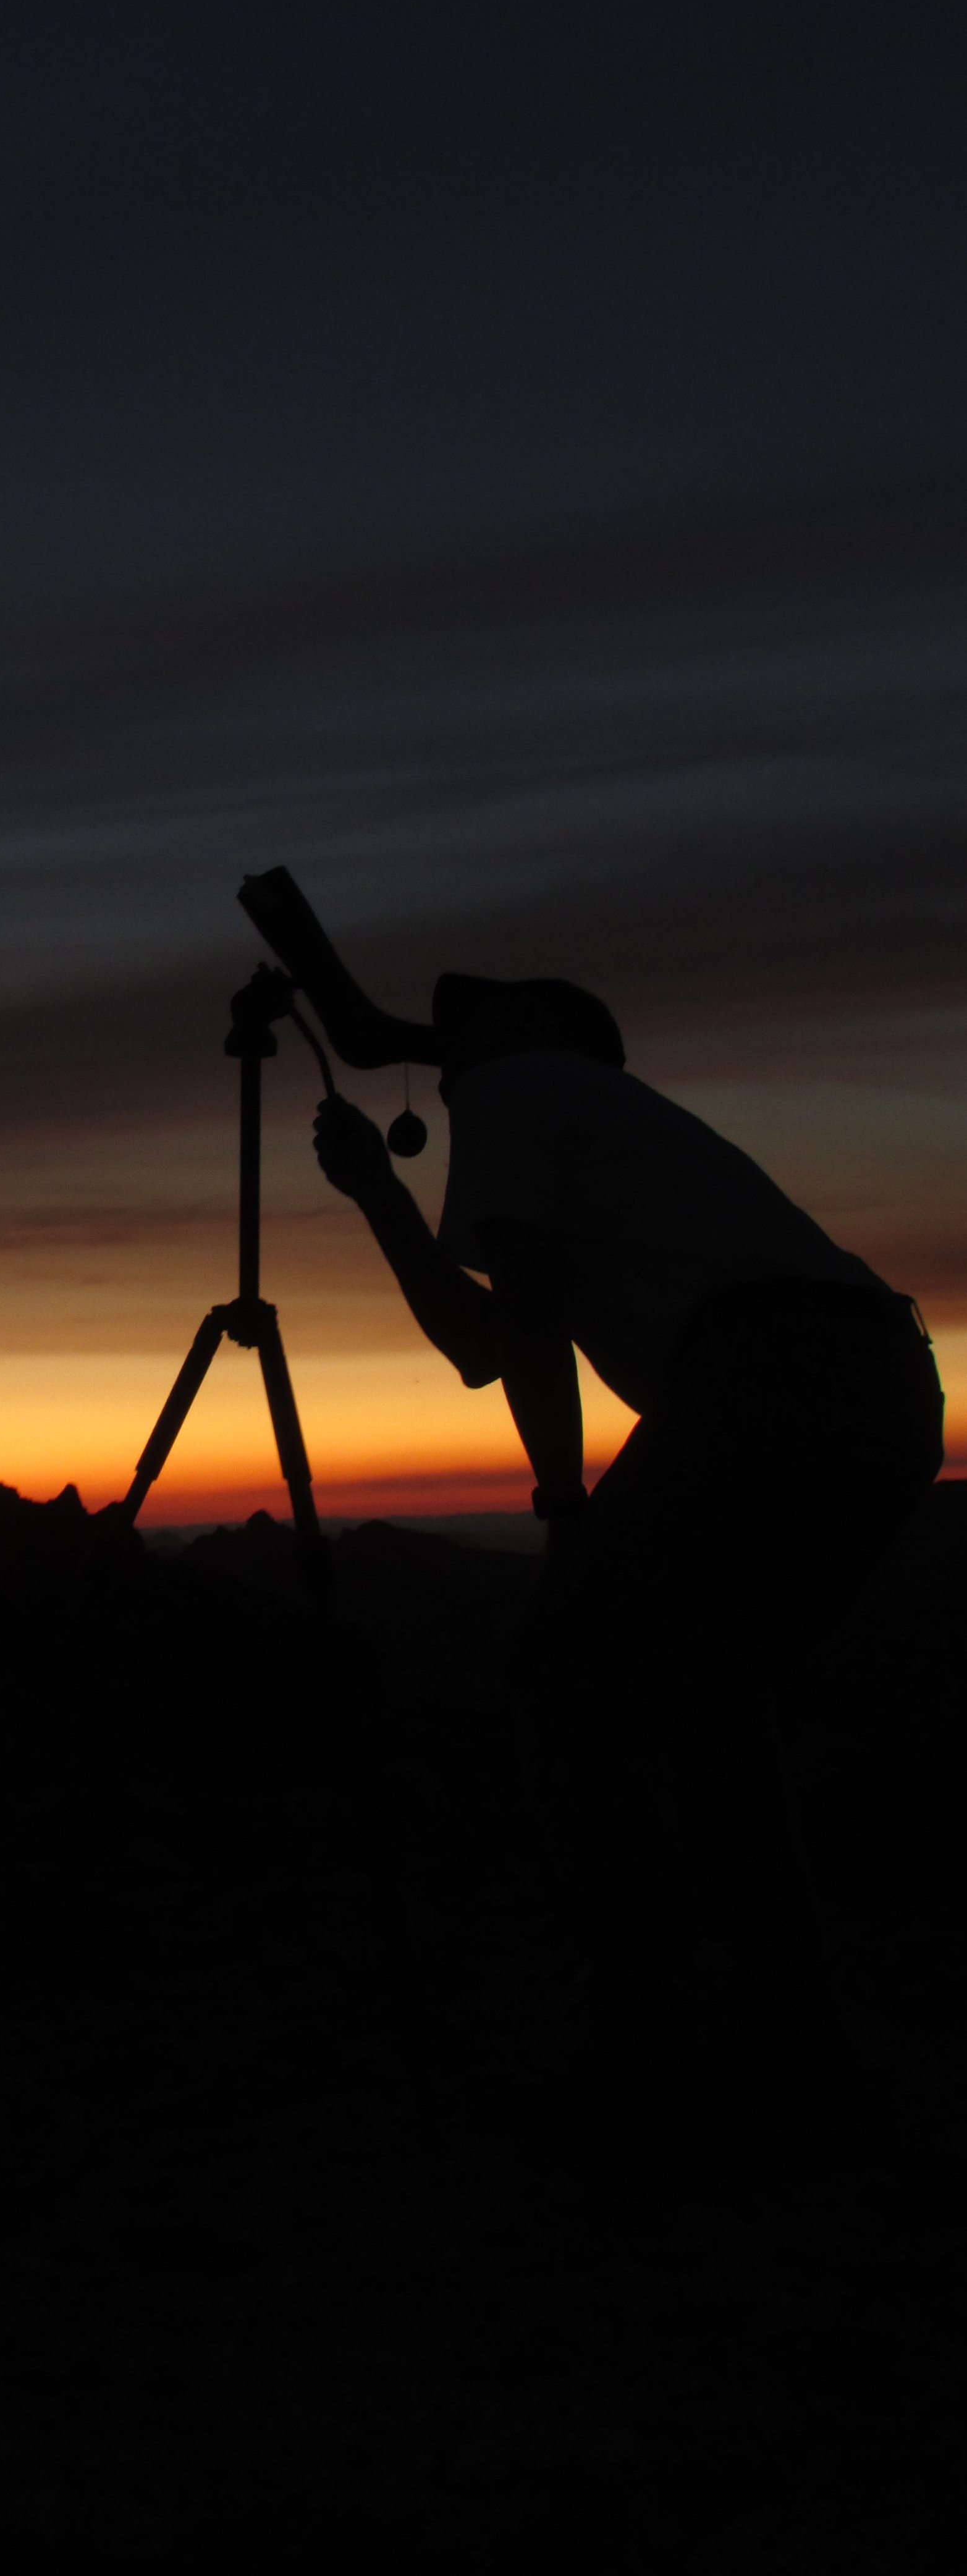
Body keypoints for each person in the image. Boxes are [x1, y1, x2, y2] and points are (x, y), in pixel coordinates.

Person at [237, 871, 945, 2147]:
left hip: (760, 1378)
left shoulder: (522, 1089)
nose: (453, 1029)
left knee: (569, 1689)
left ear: (534, 1035)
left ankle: (647, 2057)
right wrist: (379, 1193)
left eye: (482, 1013)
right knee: (716, 1725)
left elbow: (525, 1327)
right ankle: (796, 2044)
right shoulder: (582, 1110)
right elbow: (485, 1338)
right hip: (880, 1388)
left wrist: (563, 1502)